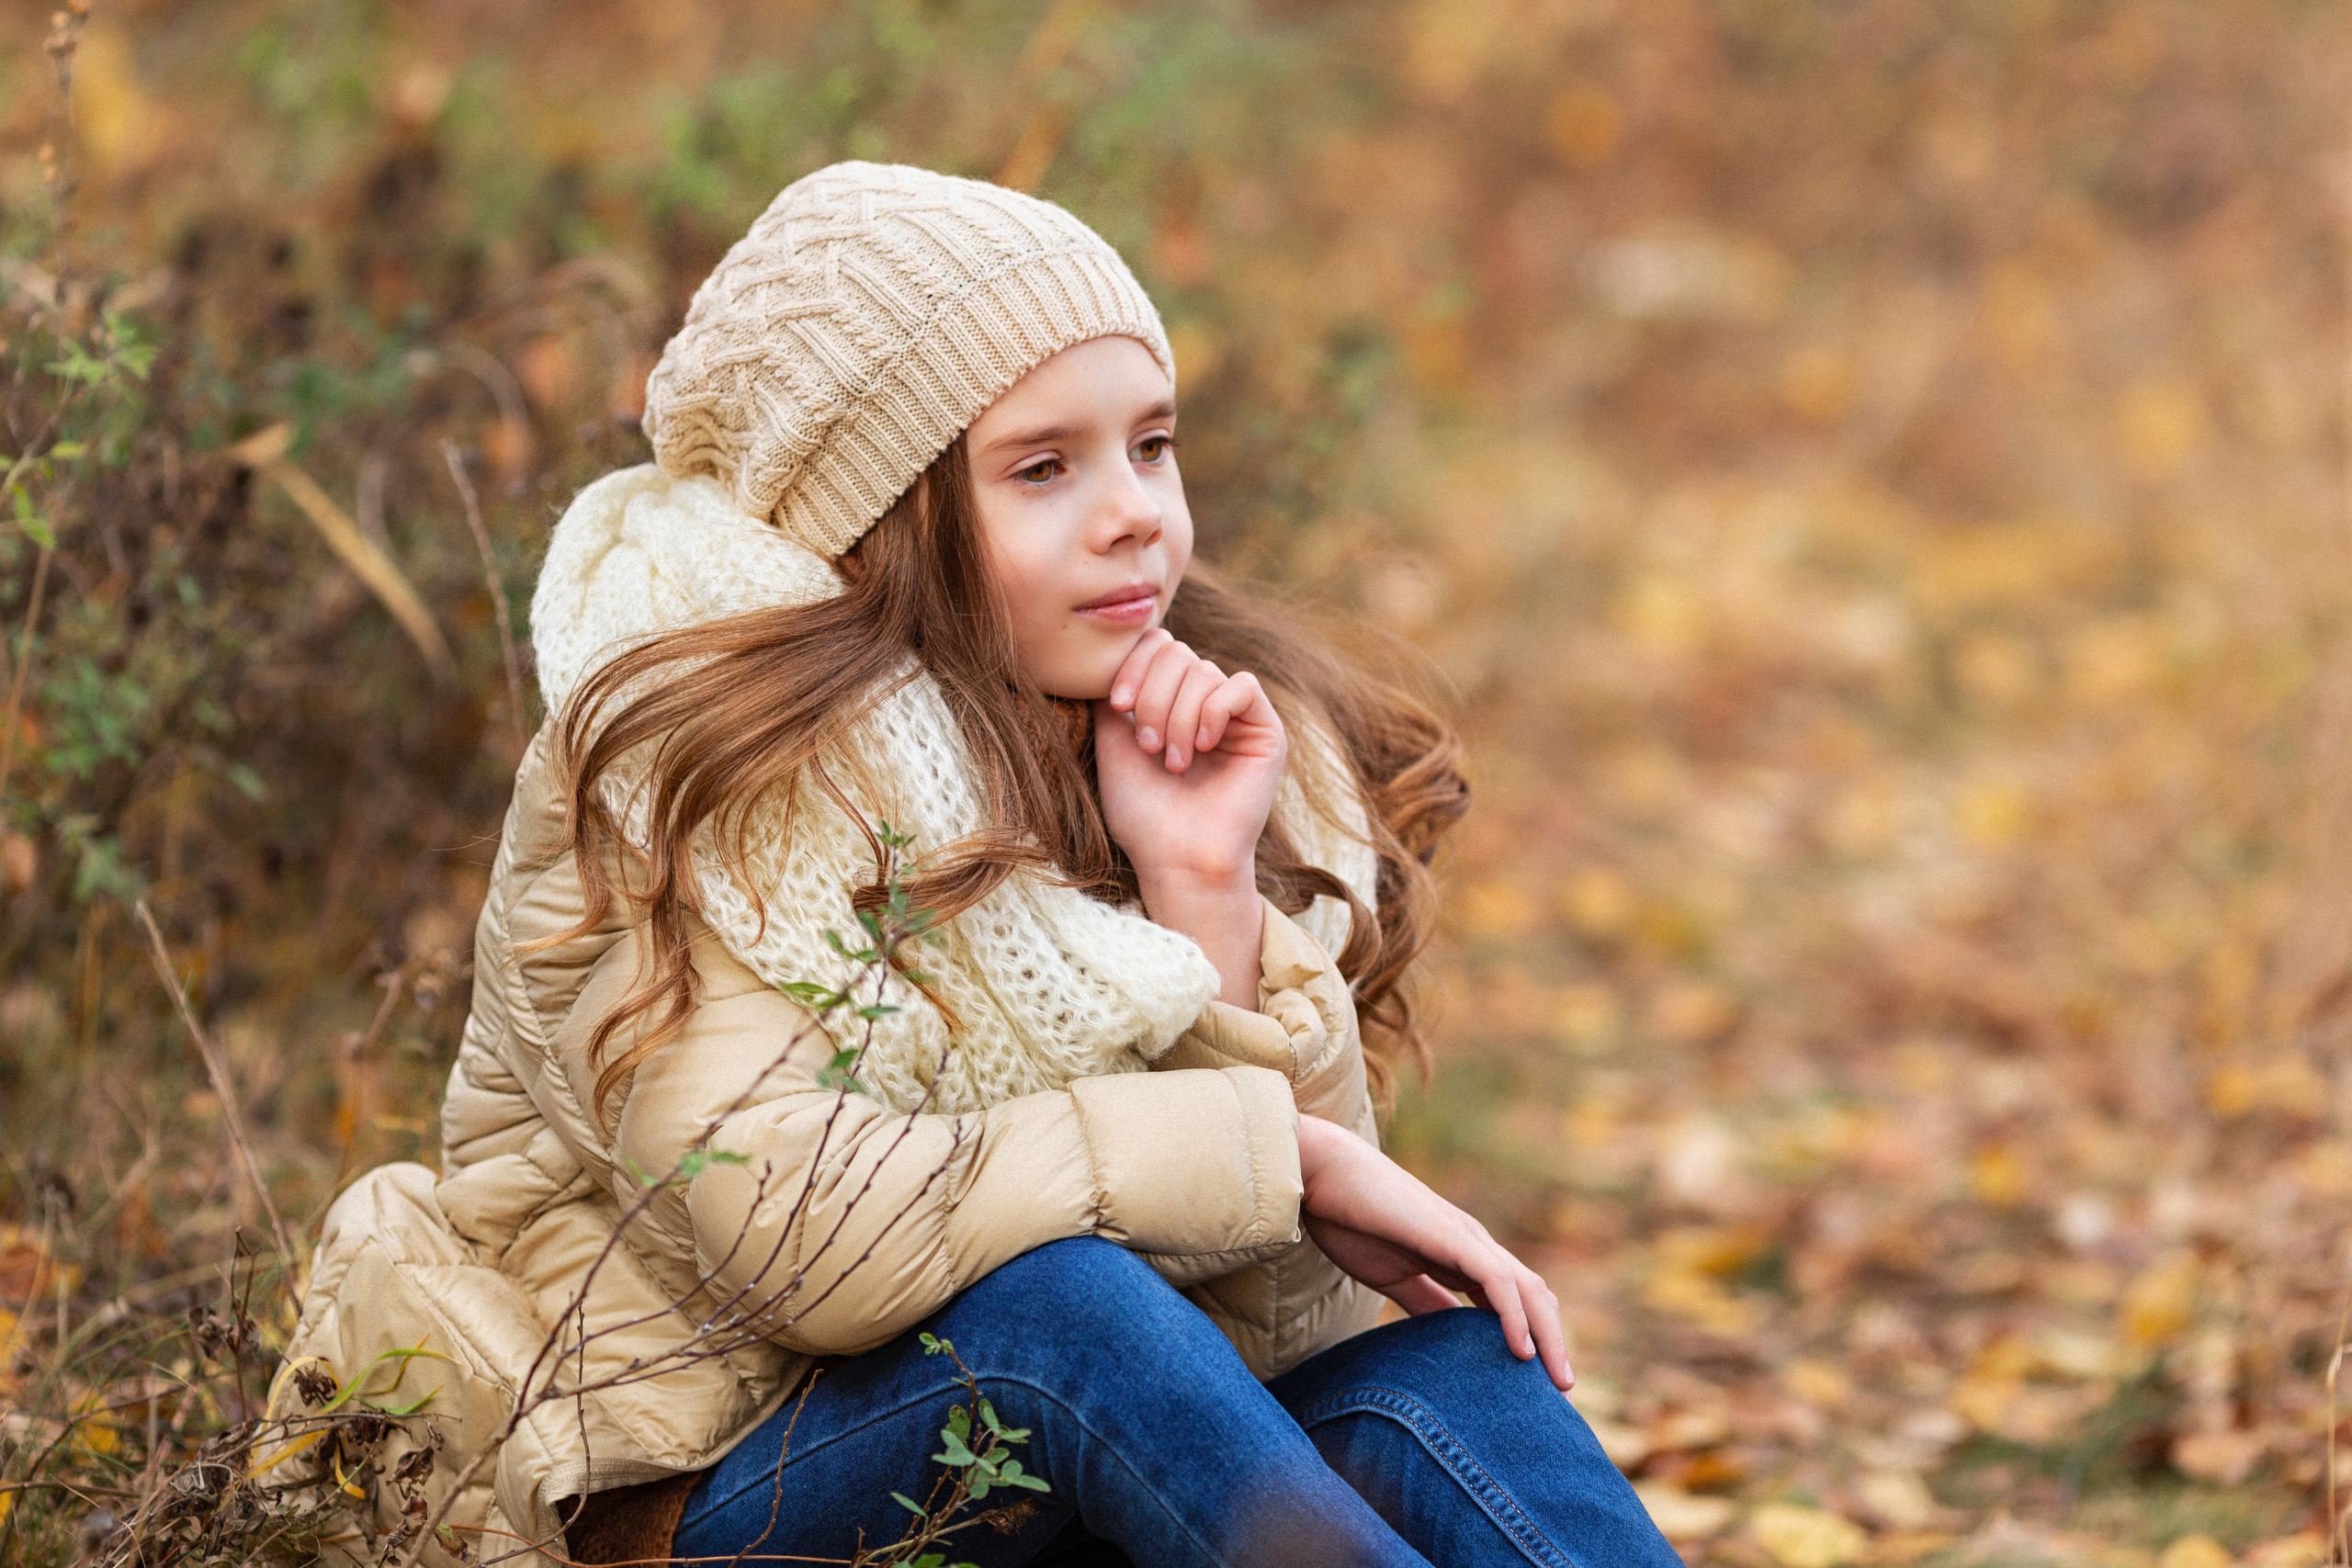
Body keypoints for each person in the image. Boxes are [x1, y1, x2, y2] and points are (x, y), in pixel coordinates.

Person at [275, 163, 1679, 1568]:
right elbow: (804, 1239)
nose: (1134, 512)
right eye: (1043, 468)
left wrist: (1202, 892)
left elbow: (1280, 1328)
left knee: (1442, 1375)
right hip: (695, 1501)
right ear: (879, 518)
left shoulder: (1147, 735)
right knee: (1069, 1316)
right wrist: (1283, 1154)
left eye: (1152, 444)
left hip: (1033, 1478)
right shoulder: (684, 768)